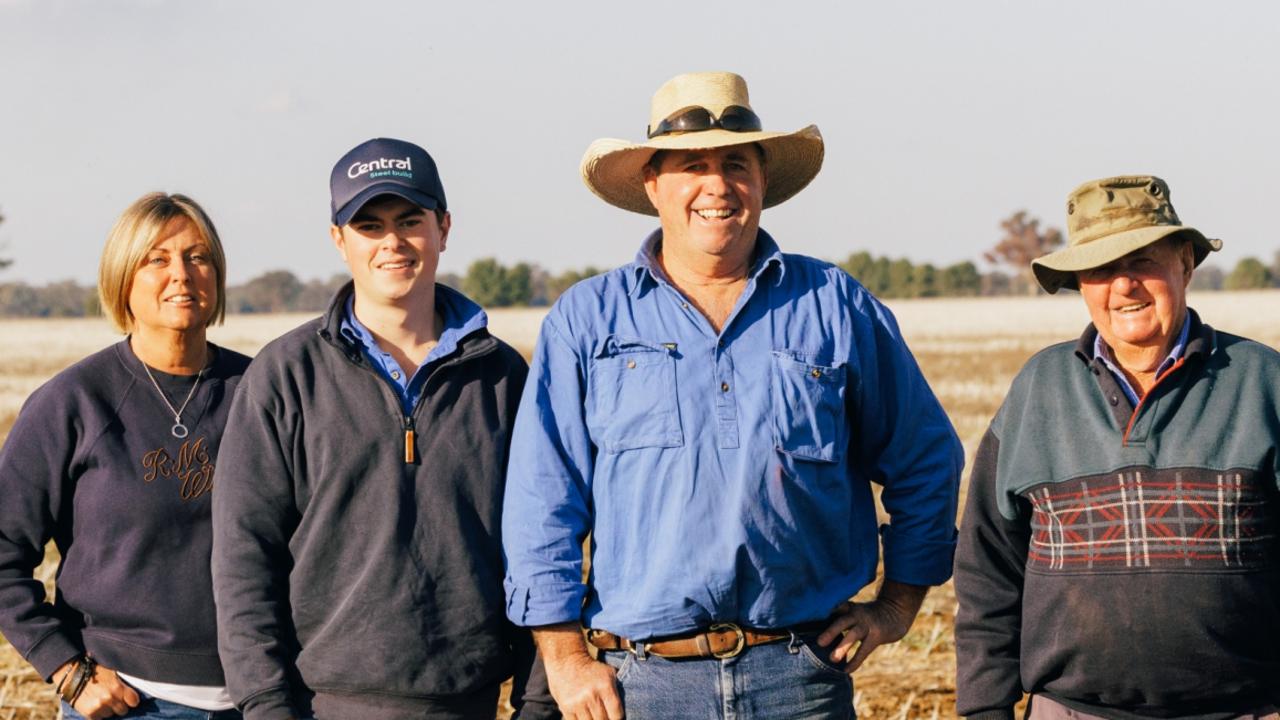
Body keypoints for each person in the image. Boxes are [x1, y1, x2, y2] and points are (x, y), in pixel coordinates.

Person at [502, 71, 963, 719]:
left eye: (735, 164)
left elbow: (925, 459)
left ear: (762, 181)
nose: (717, 185)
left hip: (800, 674)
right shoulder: (588, 319)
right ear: (653, 185)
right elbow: (541, 499)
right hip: (639, 683)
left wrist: (894, 607)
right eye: (693, 165)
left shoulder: (834, 305)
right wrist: (564, 658)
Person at [212, 138, 555, 720]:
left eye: (410, 220)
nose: (392, 243)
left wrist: (540, 700)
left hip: (470, 704)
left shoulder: (501, 376)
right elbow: (244, 558)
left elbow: (540, 545)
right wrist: (267, 705)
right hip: (321, 705)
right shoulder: (285, 375)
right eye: (369, 225)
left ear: (444, 228)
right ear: (338, 241)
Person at [954, 175, 1280, 719]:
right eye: (1101, 269)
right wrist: (986, 708)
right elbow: (987, 568)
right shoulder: (1040, 388)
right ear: (1080, 282)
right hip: (1071, 712)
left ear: (1185, 263)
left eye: (1143, 261)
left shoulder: (1262, 382)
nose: (1123, 285)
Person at [0, 193, 249, 719]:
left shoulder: (261, 392)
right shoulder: (73, 403)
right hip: (132, 705)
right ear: (123, 279)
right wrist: (67, 669)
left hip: (263, 699)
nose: (181, 274)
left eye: (197, 256)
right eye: (156, 259)